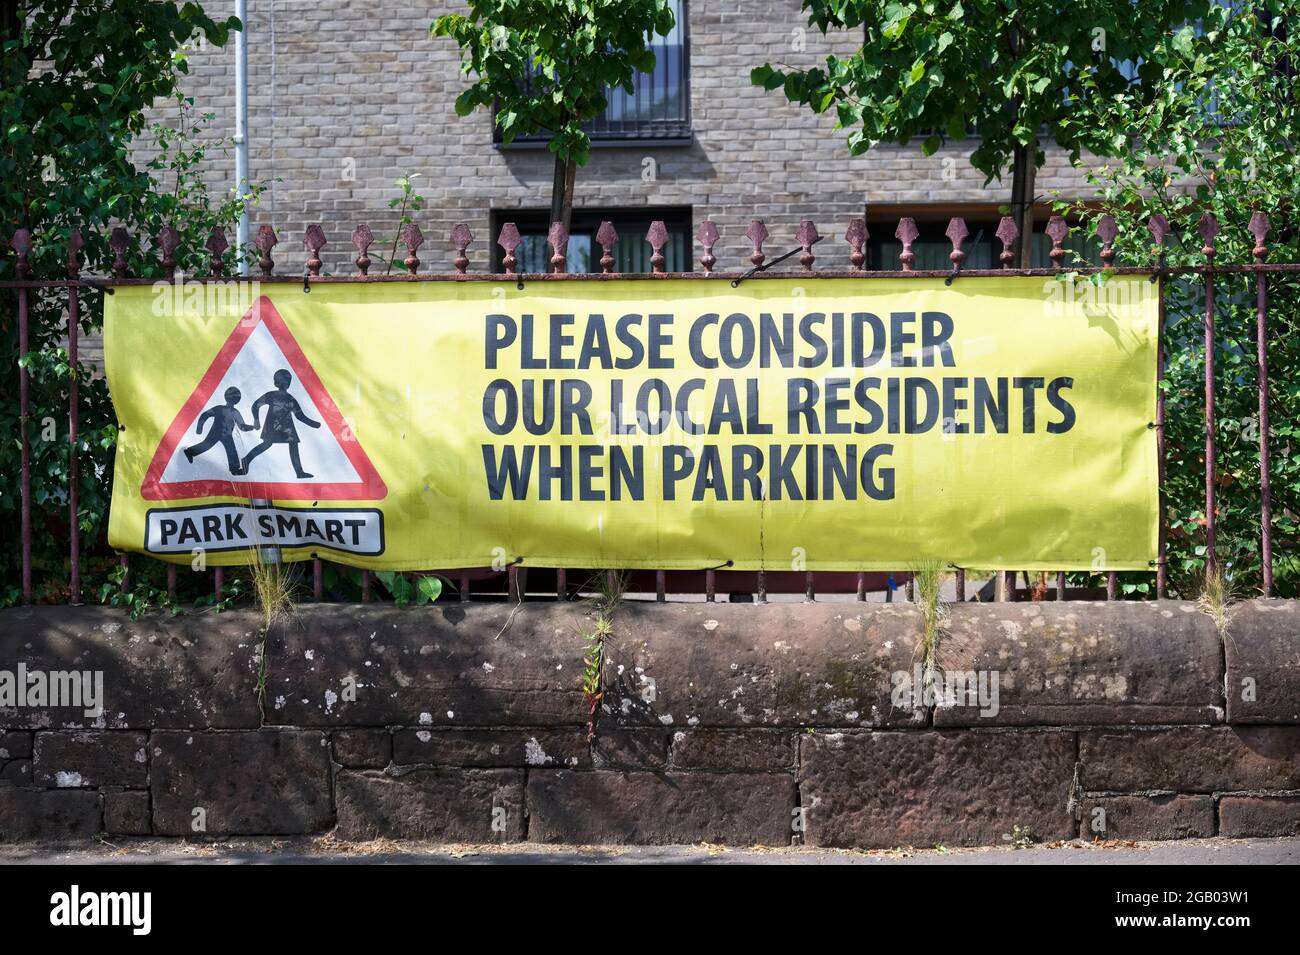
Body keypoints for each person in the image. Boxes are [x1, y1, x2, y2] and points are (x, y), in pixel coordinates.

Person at [241, 368, 321, 478]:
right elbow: (256, 405)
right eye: (282, 381)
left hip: (287, 428)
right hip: (273, 426)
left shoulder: (289, 398)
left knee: (292, 444)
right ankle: (246, 460)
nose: (284, 383)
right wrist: (256, 420)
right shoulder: (273, 395)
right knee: (268, 444)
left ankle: (299, 472)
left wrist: (314, 424)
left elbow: (299, 416)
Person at [184, 386, 254, 474]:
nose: (233, 399)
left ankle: (234, 469)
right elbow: (205, 415)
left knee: (231, 450)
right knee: (207, 445)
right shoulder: (220, 409)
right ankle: (189, 452)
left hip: (227, 435)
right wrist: (199, 428)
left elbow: (242, 426)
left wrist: (252, 427)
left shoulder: (234, 412)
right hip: (215, 432)